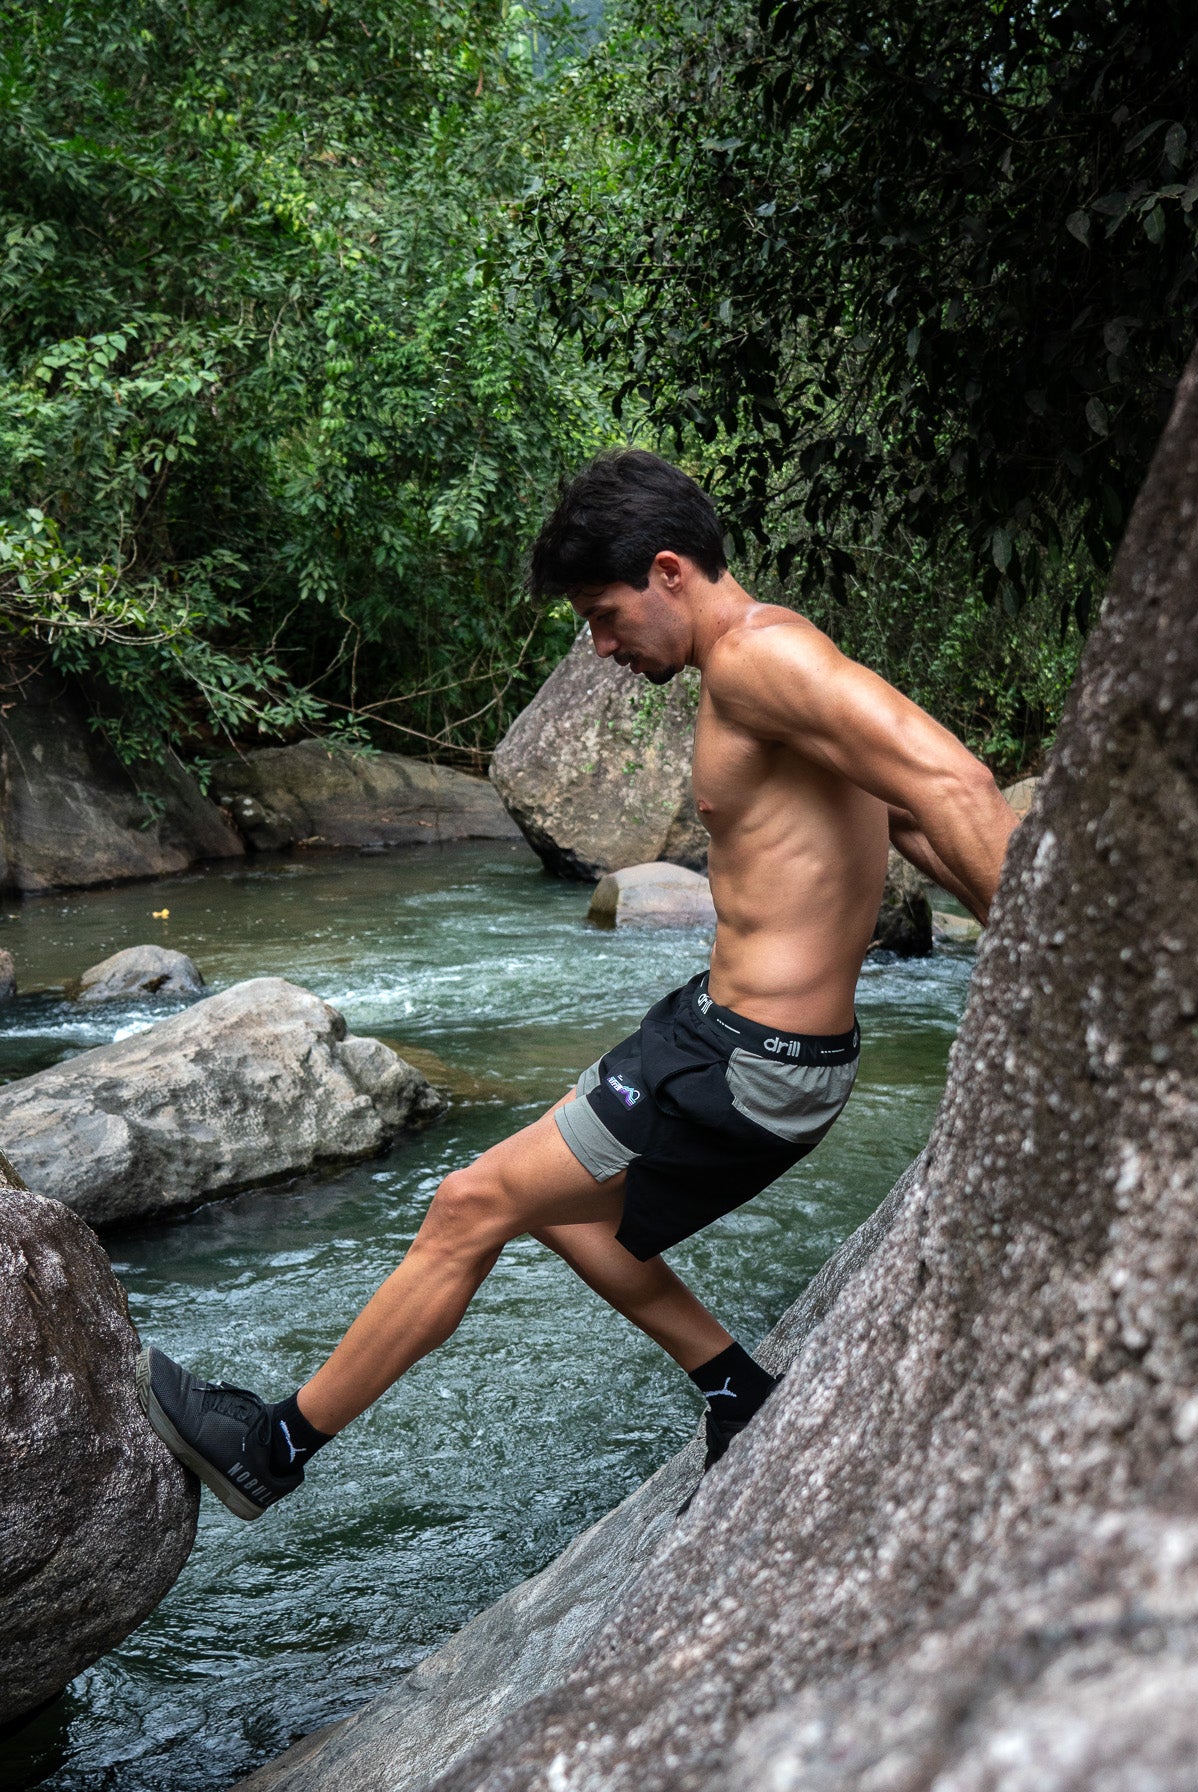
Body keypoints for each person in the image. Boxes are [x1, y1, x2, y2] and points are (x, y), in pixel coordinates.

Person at [139, 450, 1019, 1520]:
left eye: (606, 615)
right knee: (551, 1205)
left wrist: (1044, 985)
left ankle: (269, 1444)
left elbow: (954, 783)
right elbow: (912, 816)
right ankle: (735, 1385)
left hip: (746, 1061)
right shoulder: (782, 650)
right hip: (736, 1039)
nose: (601, 647)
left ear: (668, 571)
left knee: (467, 1203)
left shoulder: (756, 662)